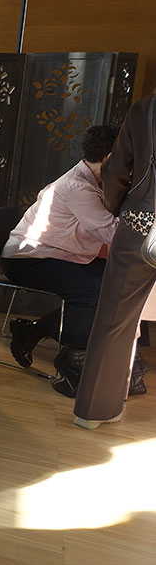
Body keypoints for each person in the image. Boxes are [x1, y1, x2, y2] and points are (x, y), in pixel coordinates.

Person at [0, 126, 137, 396]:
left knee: (118, 281)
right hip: (27, 259)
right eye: (127, 159)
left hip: (60, 255)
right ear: (110, 158)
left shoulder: (94, 181)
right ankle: (72, 361)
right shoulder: (77, 188)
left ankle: (33, 330)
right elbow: (111, 232)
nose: (130, 167)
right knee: (93, 290)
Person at [74, 96, 156, 428]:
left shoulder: (146, 109)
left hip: (140, 222)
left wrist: (120, 207)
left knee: (114, 318)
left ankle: (93, 412)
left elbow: (115, 169)